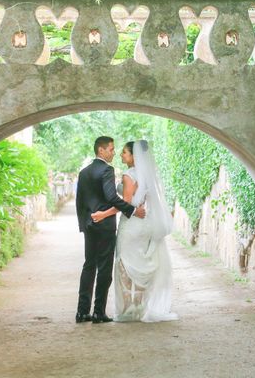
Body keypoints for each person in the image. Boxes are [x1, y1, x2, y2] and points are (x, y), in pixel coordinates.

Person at [91, 140, 178, 322]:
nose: (121, 155)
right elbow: (138, 204)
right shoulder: (147, 175)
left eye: (124, 152)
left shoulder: (128, 175)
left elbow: (127, 205)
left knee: (124, 263)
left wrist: (104, 214)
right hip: (144, 223)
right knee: (139, 263)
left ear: (133, 156)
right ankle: (139, 307)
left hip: (130, 225)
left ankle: (128, 309)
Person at [75, 136, 146, 324]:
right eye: (111, 149)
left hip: (90, 225)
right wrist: (131, 210)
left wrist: (83, 224)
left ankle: (82, 312)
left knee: (88, 266)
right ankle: (98, 312)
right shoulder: (107, 169)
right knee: (104, 269)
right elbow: (111, 197)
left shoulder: (83, 172)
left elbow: (79, 202)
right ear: (101, 151)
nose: (113, 153)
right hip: (105, 227)